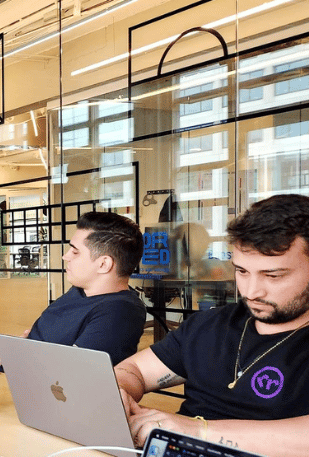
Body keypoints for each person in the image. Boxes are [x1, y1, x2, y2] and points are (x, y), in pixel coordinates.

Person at [114, 194, 309, 456]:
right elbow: (135, 369)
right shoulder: (210, 326)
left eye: (272, 275)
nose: (251, 292)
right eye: (241, 271)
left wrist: (198, 432)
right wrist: (119, 390)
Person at [0, 210, 146, 367]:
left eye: (75, 252)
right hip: (21, 370)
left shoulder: (119, 312)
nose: (65, 256)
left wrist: (20, 355)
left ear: (104, 264)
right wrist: (21, 349)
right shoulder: (79, 291)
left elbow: (69, 374)